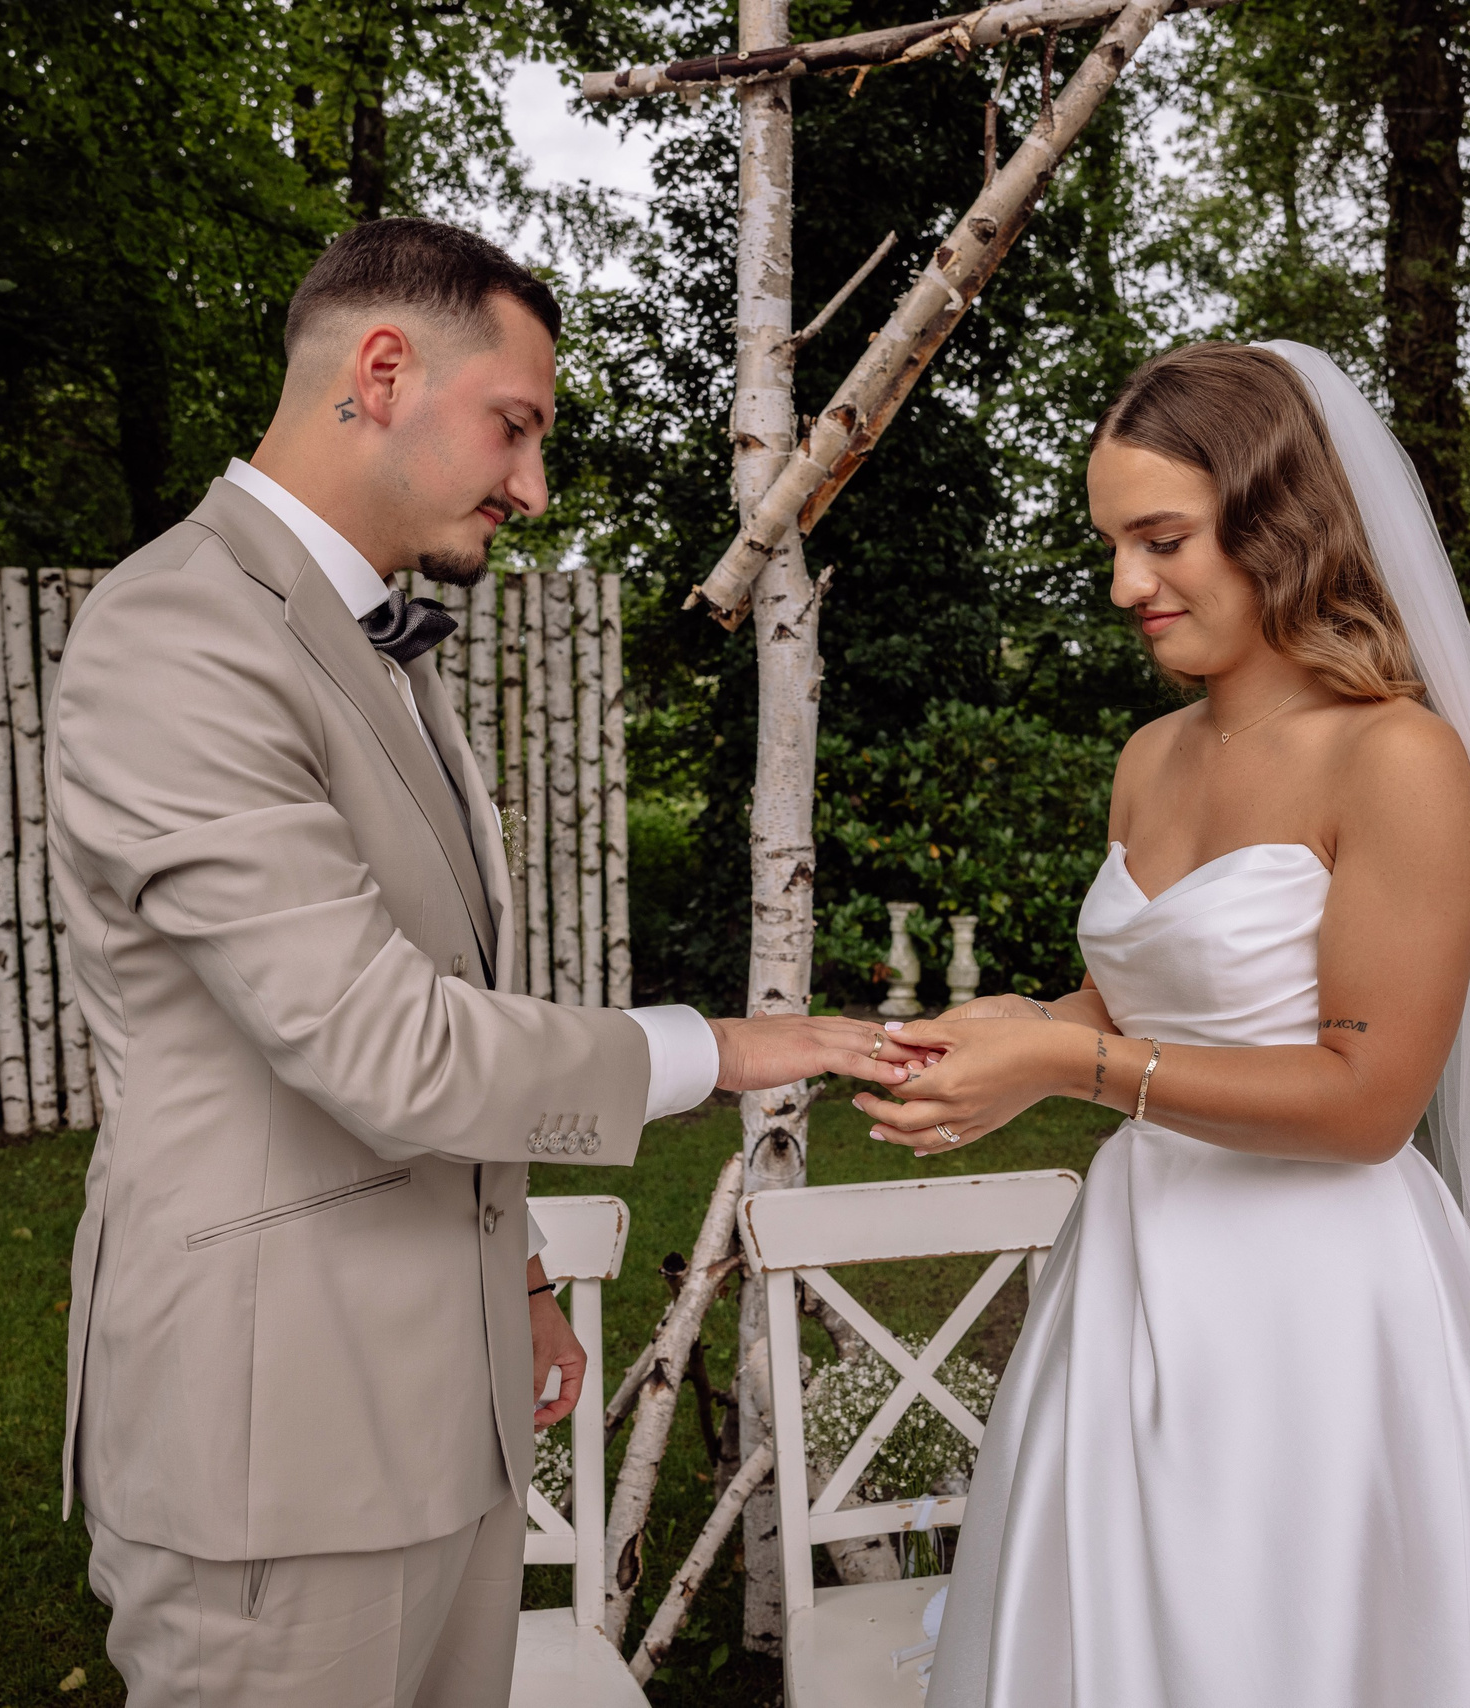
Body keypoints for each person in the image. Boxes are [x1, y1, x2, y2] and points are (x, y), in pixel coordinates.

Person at [46, 217, 902, 1708]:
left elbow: (426, 994)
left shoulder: (367, 637)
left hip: (444, 1413)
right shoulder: (178, 633)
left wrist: (505, 1272)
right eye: (516, 427)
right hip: (278, 1456)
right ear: (382, 370)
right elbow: (384, 1044)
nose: (534, 486)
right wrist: (729, 1046)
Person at [857, 343, 1470, 1706]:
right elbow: (1142, 1001)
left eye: (1162, 540)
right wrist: (1006, 1038)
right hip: (1137, 1268)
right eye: (1113, 546)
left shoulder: (1399, 759)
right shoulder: (1150, 757)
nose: (1127, 586)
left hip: (1318, 1304)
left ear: (1279, 521)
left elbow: (1366, 1098)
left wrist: (1069, 1061)